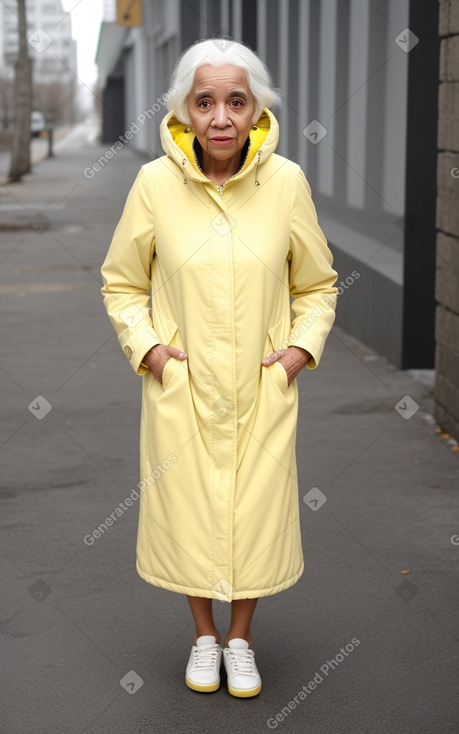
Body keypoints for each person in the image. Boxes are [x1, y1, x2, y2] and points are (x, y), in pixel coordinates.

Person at [101, 37, 338, 698]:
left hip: (260, 388)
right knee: (188, 511)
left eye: (236, 100)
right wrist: (149, 350)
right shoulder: (154, 185)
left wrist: (295, 353)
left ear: (256, 107)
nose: (221, 117)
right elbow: (121, 284)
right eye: (204, 102)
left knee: (254, 514)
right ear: (183, 110)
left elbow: (316, 285)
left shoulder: (284, 183)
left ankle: (241, 638)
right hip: (184, 388)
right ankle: (203, 635)